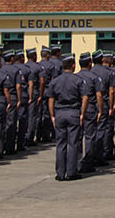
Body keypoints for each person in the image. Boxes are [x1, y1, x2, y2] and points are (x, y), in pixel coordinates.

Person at [46, 53, 90, 181]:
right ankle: (71, 172)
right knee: (73, 143)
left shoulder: (55, 81)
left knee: (60, 144)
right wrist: (82, 113)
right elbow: (85, 97)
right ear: (73, 65)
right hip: (73, 112)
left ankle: (60, 173)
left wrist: (52, 115)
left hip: (59, 113)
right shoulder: (78, 80)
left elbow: (50, 99)